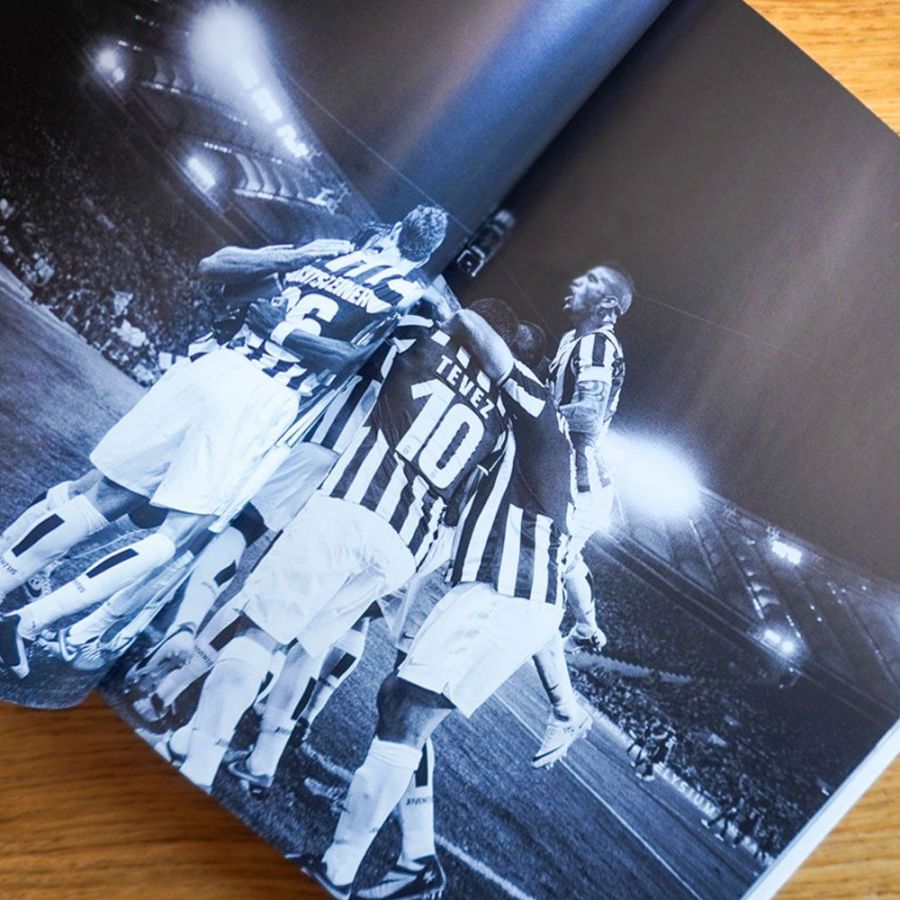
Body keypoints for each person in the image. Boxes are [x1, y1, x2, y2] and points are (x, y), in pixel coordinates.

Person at [0, 206, 447, 678]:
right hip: (263, 399)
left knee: (101, 495)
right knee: (179, 535)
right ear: (425, 256)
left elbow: (224, 273)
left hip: (213, 366)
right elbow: (349, 357)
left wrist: (287, 281)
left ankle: (15, 585)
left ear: (393, 230)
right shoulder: (406, 296)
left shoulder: (327, 255)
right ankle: (34, 623)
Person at [301, 309, 583, 899]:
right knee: (396, 698)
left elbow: (485, 340)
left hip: (504, 590)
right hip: (502, 591)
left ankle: (338, 871)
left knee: (407, 712)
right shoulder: (518, 435)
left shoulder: (537, 406)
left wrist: (453, 315)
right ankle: (414, 860)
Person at [175, 301, 512, 792]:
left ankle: (198, 760)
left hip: (354, 502)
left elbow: (354, 355)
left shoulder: (423, 338)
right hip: (404, 545)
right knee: (308, 647)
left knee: (260, 631)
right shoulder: (502, 420)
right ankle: (252, 755)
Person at [548, 264, 631, 652]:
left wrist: (530, 411)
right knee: (564, 561)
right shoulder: (573, 339)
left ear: (608, 304)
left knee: (539, 574)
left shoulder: (597, 344)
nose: (575, 281)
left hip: (581, 484)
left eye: (590, 280)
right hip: (566, 476)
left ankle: (563, 699)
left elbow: (587, 415)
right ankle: (586, 629)